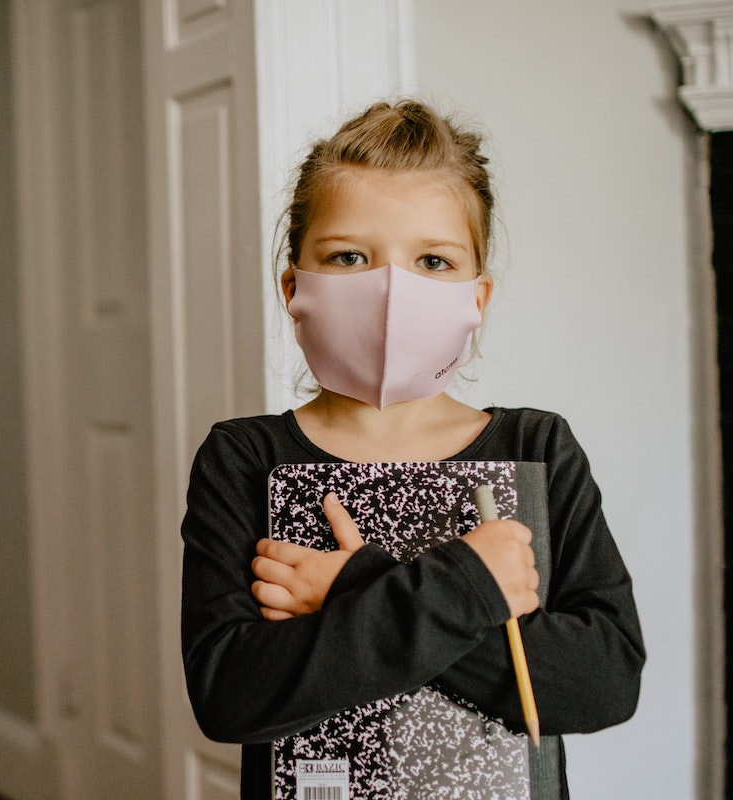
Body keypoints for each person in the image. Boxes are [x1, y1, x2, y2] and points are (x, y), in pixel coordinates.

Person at [180, 99, 644, 800]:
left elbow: (603, 685)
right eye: (348, 256)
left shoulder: (538, 449)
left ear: (477, 296)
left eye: (433, 260)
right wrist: (468, 589)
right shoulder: (244, 459)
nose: (392, 291)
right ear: (293, 286)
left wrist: (351, 587)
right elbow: (231, 695)